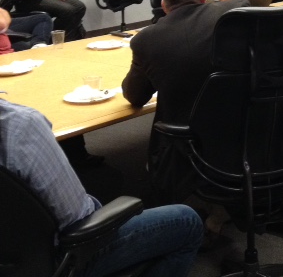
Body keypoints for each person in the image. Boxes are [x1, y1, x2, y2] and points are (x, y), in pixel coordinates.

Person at [0, 97, 202, 276]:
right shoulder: (19, 128)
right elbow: (77, 218)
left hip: (10, 261)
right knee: (187, 221)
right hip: (56, 260)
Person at [122, 0, 249, 203]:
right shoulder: (237, 11)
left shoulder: (146, 40)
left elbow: (135, 96)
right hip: (244, 127)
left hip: (188, 140)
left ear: (163, 5)